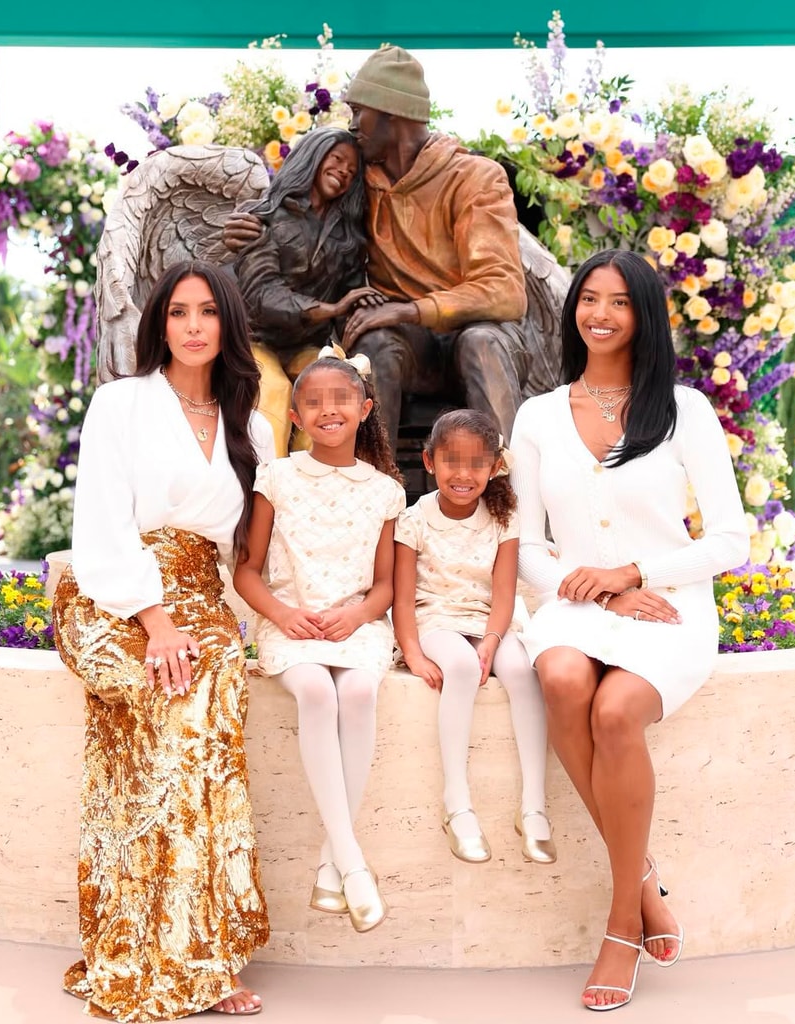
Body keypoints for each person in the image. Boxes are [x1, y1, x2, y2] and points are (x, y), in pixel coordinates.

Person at [509, 249, 750, 1011]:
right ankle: (642, 881)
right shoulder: (538, 415)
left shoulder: (685, 411)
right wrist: (598, 593)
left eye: (619, 302)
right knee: (562, 678)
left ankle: (620, 926)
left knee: (615, 713)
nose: (601, 314)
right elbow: (522, 543)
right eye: (589, 299)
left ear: (644, 315)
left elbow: (731, 542)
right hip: (575, 602)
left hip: (667, 605)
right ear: (573, 309)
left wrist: (635, 575)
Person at [53, 261, 275, 1020]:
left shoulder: (253, 423)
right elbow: (103, 523)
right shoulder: (121, 403)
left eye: (208, 311)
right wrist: (155, 621)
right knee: (170, 691)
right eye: (178, 311)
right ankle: (146, 943)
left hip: (200, 597)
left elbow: (258, 547)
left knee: (209, 695)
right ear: (160, 323)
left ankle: (202, 953)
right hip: (111, 592)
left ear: (227, 324)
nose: (192, 326)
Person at [225, 44, 530, 446]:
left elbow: (505, 292)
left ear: (391, 112)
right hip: (405, 343)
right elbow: (297, 210)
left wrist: (407, 309)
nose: (352, 126)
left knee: (481, 343)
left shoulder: (475, 178)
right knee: (372, 345)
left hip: (476, 334)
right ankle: (372, 488)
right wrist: (252, 223)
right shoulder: (358, 182)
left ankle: (505, 488)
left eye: (358, 112)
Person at [232, 348, 405, 934]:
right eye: (313, 402)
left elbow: (384, 586)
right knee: (315, 692)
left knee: (357, 694)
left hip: (355, 625)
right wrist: (283, 612)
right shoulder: (276, 477)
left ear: (365, 408)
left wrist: (357, 616)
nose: (328, 409)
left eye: (341, 399)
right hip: (290, 623)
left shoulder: (385, 491)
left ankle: (333, 865)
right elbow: (248, 571)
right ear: (297, 418)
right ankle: (351, 865)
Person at [392, 409, 556, 866]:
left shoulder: (504, 519)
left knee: (523, 670)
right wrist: (412, 652)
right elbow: (402, 600)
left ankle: (534, 805)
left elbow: (504, 593)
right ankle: (457, 804)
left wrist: (491, 639)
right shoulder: (413, 519)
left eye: (476, 463)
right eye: (451, 462)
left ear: (494, 467)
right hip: (435, 618)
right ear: (429, 462)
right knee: (461, 668)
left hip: (489, 617)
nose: (463, 474)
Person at [234, 127, 383, 457]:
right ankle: (269, 493)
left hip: (308, 344)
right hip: (256, 340)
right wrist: (331, 309)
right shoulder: (265, 217)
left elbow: (353, 294)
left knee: (329, 391)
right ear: (313, 156)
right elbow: (261, 295)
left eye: (351, 171)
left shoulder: (347, 238)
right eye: (337, 160)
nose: (343, 172)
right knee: (273, 391)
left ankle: (318, 490)